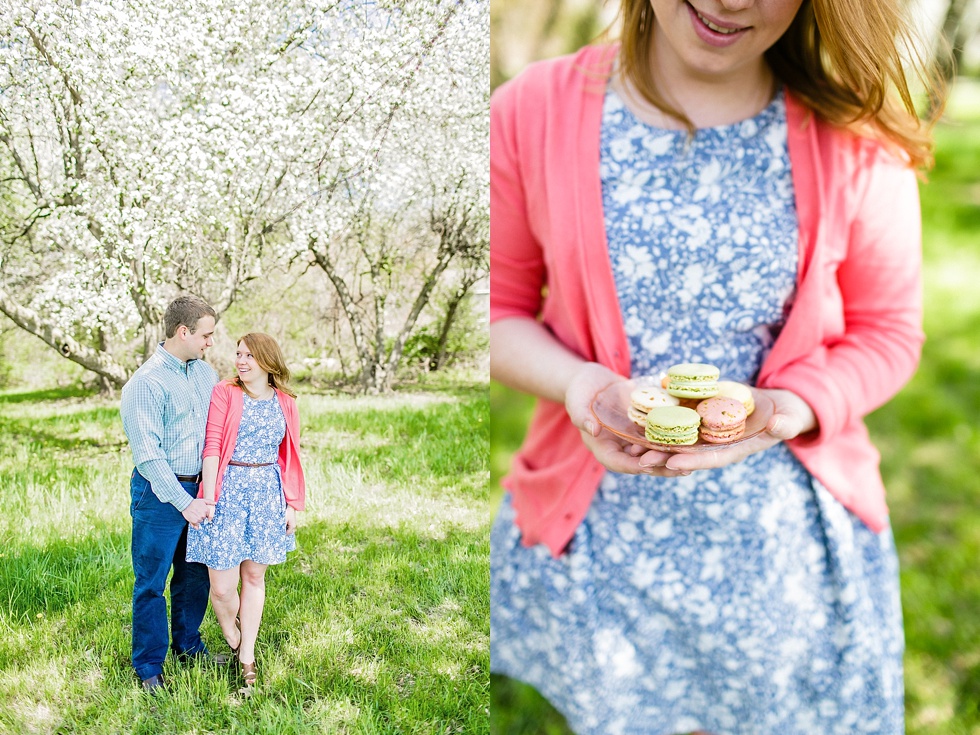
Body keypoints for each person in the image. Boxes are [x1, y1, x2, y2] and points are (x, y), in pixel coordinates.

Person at [490, 1, 945, 733]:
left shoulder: (853, 136)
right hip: (609, 541)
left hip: (783, 554)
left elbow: (888, 331)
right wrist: (580, 385)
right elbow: (497, 309)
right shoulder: (529, 111)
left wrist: (786, 407)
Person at [185, 332, 306, 693]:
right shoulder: (226, 392)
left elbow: (291, 455)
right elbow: (211, 446)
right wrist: (208, 497)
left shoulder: (285, 402)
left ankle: (247, 656)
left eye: (249, 355)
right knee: (222, 588)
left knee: (254, 578)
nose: (241, 360)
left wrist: (291, 504)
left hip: (267, 493)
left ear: (267, 362)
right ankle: (232, 633)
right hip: (226, 491)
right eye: (238, 353)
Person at [120, 295, 225, 692]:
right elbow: (148, 456)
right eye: (206, 335)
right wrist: (185, 503)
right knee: (152, 580)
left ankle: (188, 646)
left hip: (201, 486)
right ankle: (148, 666)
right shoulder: (146, 383)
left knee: (194, 574)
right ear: (183, 332)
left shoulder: (203, 373)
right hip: (159, 491)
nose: (210, 343)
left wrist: (208, 492)